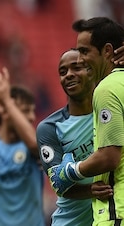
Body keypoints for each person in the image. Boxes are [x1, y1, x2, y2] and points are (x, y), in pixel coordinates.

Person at [46, 17, 124, 226]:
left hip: (116, 211)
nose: (80, 59)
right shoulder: (49, 127)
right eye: (62, 71)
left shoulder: (107, 90)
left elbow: (109, 157)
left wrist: (71, 170)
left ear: (107, 51)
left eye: (84, 51)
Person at [36, 49, 115, 225]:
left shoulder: (109, 111)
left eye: (76, 68)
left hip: (112, 216)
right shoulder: (49, 128)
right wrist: (90, 190)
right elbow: (58, 185)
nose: (69, 75)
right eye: (63, 72)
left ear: (91, 71)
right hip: (72, 221)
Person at [0, 67, 45, 226]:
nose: (32, 117)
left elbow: (34, 144)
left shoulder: (34, 145)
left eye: (33, 111)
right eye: (25, 111)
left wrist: (7, 101)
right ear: (6, 112)